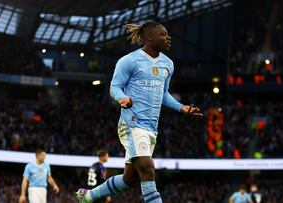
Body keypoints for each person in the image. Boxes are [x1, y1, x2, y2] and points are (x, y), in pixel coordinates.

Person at [76, 21, 203, 203]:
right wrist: (122, 98)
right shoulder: (129, 61)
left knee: (130, 179)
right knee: (147, 170)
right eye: (164, 34)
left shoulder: (168, 64)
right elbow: (115, 87)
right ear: (150, 37)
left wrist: (182, 107)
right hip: (132, 123)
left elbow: (163, 94)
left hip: (151, 127)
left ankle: (87, 196)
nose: (168, 38)